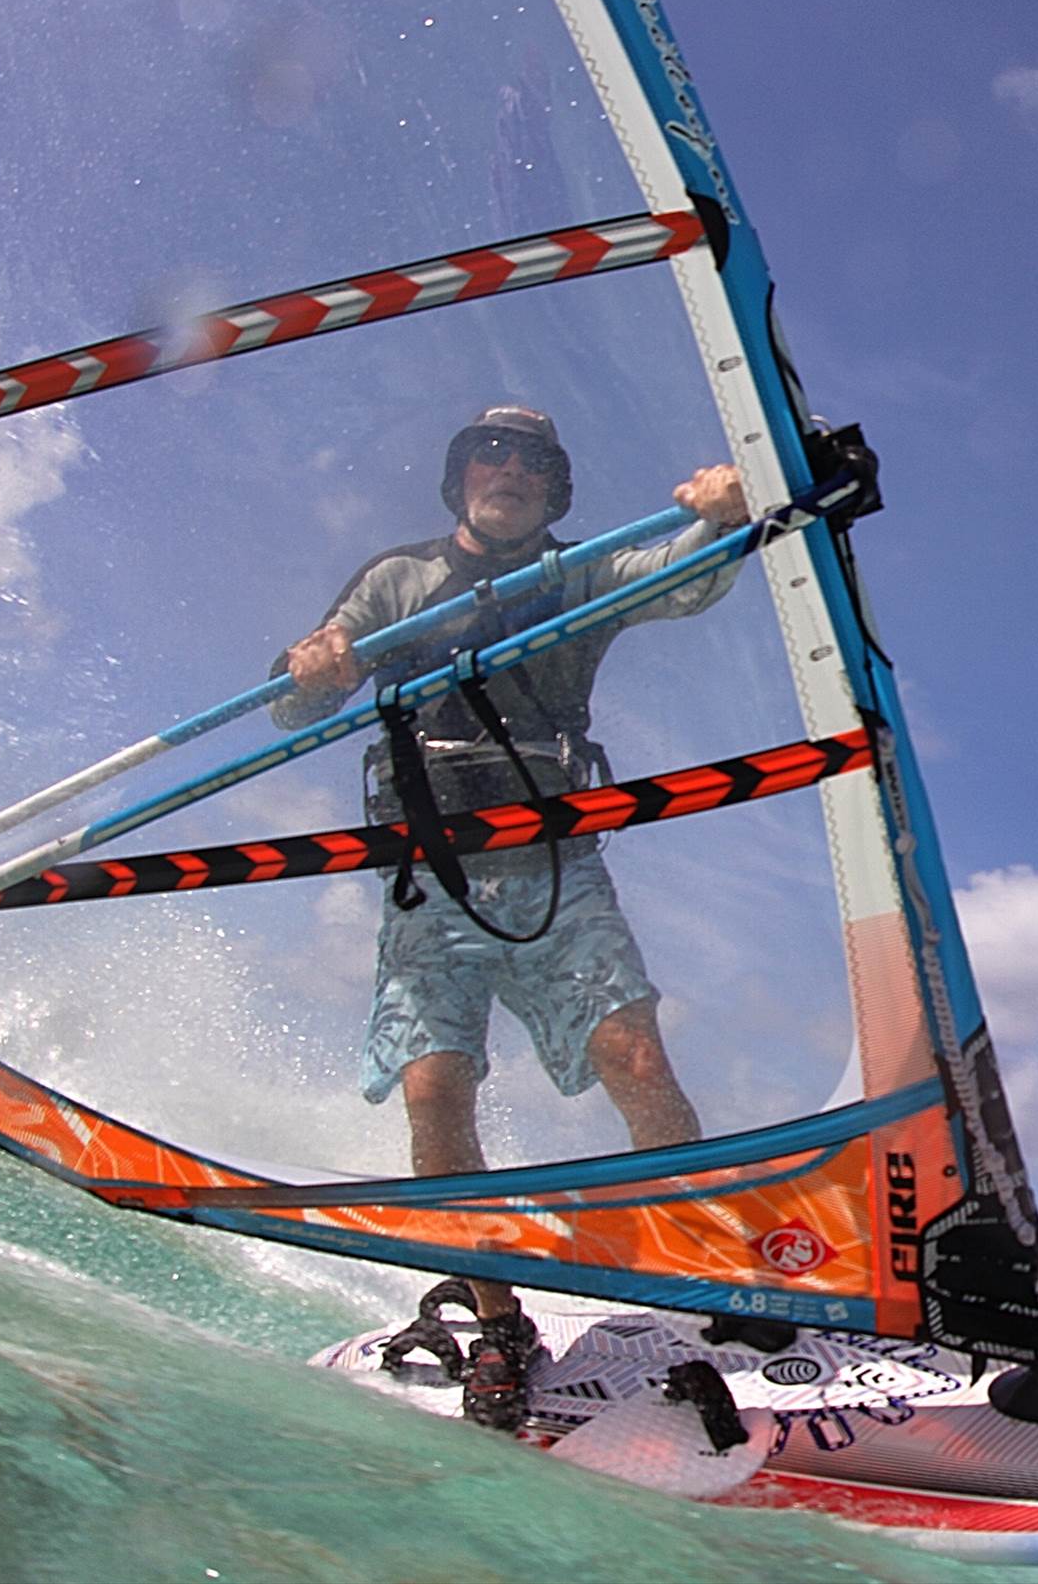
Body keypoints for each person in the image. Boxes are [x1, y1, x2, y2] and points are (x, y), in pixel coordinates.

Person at [271, 404, 751, 1429]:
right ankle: (498, 1322)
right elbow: (293, 701)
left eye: (532, 460)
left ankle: (715, 1275)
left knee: (633, 1055)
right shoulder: (396, 579)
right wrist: (314, 665)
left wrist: (722, 516)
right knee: (434, 1090)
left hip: (552, 866)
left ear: (553, 488)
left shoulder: (582, 572)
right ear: (460, 478)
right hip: (429, 876)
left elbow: (688, 577)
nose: (510, 469)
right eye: (490, 454)